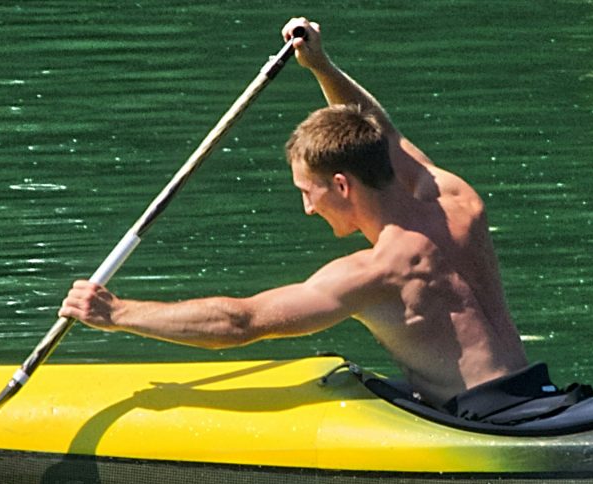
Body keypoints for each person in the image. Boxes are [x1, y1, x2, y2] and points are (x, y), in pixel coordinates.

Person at [59, 17, 528, 408]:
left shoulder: (376, 272)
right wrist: (320, 65)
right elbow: (380, 131)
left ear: (342, 185)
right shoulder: (454, 199)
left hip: (483, 420)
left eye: (308, 192)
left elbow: (240, 323)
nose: (306, 208)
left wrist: (116, 312)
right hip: (530, 389)